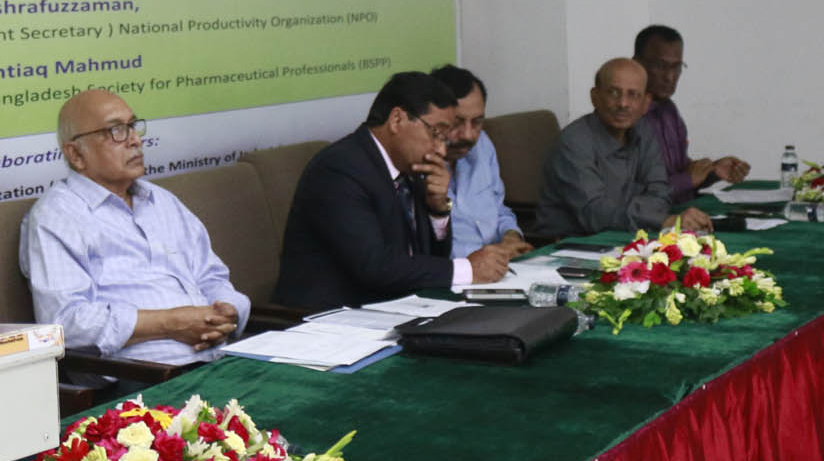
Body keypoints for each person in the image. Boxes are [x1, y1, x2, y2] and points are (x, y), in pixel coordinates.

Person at [20, 89, 251, 364]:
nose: (135, 140)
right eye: (116, 131)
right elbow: (65, 324)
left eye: (132, 126)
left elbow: (211, 276)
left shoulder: (161, 200)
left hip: (222, 354)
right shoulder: (57, 216)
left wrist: (228, 312)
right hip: (149, 376)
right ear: (76, 154)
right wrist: (171, 323)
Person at [274, 72, 510, 312]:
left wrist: (438, 209)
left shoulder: (411, 168)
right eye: (436, 134)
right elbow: (375, 266)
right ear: (397, 120)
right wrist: (467, 269)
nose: (440, 150)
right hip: (329, 317)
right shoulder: (339, 169)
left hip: (398, 307)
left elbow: (431, 259)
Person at [536, 57, 714, 239]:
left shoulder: (644, 131)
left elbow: (661, 192)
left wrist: (645, 215)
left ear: (645, 103)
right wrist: (660, 220)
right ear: (595, 97)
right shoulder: (574, 141)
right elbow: (594, 213)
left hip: (629, 236)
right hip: (572, 243)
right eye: (614, 93)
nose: (623, 104)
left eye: (633, 95)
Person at [634, 24, 750, 204]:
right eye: (660, 66)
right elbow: (633, 196)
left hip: (684, 213)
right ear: (636, 64)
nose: (670, 77)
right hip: (651, 218)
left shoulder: (669, 111)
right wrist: (688, 179)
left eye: (676, 67)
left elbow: (681, 172)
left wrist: (713, 172)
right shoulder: (625, 117)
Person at [430, 64, 532, 258]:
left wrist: (511, 236)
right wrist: (489, 256)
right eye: (457, 123)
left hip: (503, 263)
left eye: (477, 122)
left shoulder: (482, 145)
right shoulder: (415, 163)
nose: (468, 135)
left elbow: (498, 208)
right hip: (459, 269)